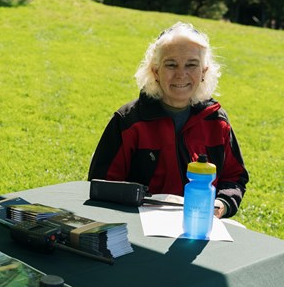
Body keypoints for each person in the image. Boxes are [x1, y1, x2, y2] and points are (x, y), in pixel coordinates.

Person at [88, 22, 249, 218]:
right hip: (138, 227)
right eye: (171, 64)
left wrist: (221, 204)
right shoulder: (129, 122)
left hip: (200, 226)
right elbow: (101, 184)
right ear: (155, 72)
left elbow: (234, 177)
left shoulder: (217, 122)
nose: (181, 74)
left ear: (204, 72)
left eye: (191, 64)